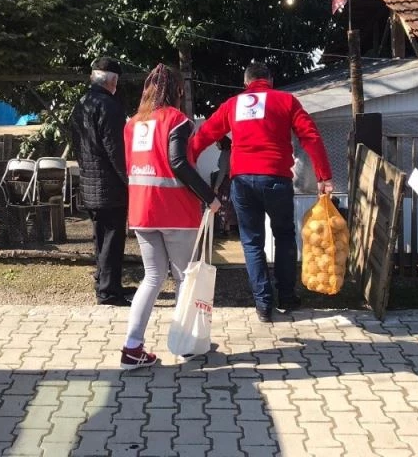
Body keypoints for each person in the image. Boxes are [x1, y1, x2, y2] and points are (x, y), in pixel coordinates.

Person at [191, 62, 333, 323]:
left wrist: (185, 162)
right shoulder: (286, 101)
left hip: (242, 181)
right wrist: (323, 176)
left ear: (246, 83)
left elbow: (206, 134)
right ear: (271, 80)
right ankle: (287, 297)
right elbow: (310, 136)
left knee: (252, 242)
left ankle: (263, 305)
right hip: (277, 179)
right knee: (285, 236)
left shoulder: (233, 104)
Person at [120, 64, 220, 370]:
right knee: (183, 278)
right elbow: (178, 162)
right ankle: (186, 344)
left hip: (141, 210)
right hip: (175, 210)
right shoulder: (177, 120)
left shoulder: (132, 124)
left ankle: (132, 347)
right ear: (176, 90)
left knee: (152, 277)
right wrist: (210, 197)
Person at [71, 57, 132, 307]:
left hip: (89, 181)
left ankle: (104, 282)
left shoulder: (81, 104)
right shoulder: (110, 107)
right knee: (112, 240)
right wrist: (129, 181)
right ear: (113, 81)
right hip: (110, 186)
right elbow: (116, 151)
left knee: (100, 238)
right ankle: (108, 292)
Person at [212, 136, 237, 236]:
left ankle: (221, 229)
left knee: (223, 204)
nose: (216, 144)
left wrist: (216, 186)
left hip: (225, 181)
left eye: (217, 142)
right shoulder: (232, 152)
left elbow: (222, 172)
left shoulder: (225, 153)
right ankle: (227, 228)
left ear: (222, 143)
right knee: (229, 204)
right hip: (233, 180)